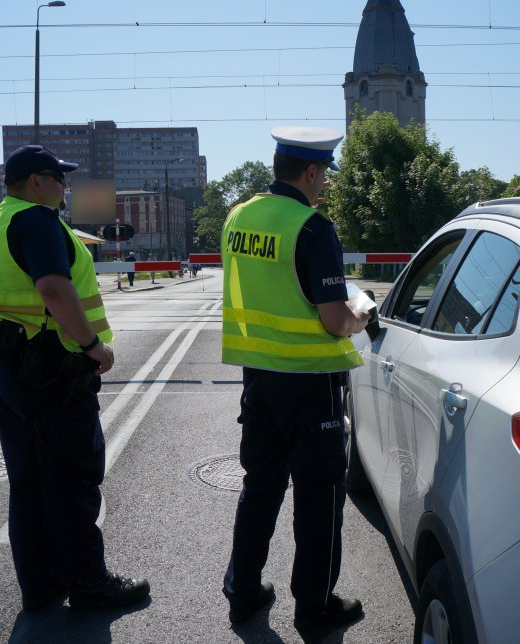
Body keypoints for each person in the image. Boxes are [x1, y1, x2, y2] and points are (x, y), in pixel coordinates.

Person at [0, 144, 150, 612]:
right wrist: (94, 347)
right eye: (58, 178)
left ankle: (42, 584)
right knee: (72, 478)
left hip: (10, 368)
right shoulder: (36, 220)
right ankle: (89, 584)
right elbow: (53, 287)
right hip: (51, 369)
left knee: (28, 482)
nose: (65, 186)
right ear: (35, 182)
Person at [220, 126, 370, 634]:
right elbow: (333, 319)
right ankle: (314, 605)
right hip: (311, 384)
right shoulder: (312, 228)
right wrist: (361, 315)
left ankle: (243, 592)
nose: (324, 182)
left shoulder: (238, 216)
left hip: (258, 379)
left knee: (259, 488)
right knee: (318, 498)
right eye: (324, 173)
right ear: (310, 171)